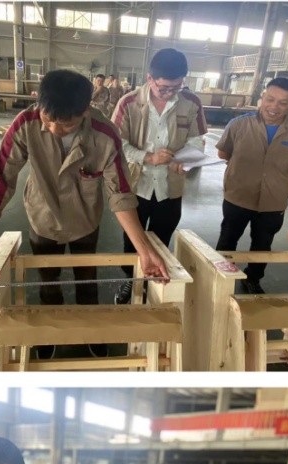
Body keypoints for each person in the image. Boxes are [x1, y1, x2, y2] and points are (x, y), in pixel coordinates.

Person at [0, 69, 168, 359]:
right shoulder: (26, 124)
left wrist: (143, 249)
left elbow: (120, 194)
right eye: (48, 119)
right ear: (39, 104)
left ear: (85, 112)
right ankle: (49, 333)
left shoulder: (104, 135)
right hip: (42, 218)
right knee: (48, 280)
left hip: (85, 221)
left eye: (66, 125)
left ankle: (91, 332)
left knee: (86, 279)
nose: (55, 129)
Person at [112, 48, 206, 305]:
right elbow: (117, 144)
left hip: (170, 187)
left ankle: (152, 284)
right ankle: (131, 280)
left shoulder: (191, 102)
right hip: (136, 186)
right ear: (150, 78)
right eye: (164, 88)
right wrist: (148, 157)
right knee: (133, 239)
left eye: (176, 87)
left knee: (162, 237)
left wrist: (185, 161)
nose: (170, 93)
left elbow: (196, 141)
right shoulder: (129, 103)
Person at [215, 77, 288, 294]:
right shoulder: (239, 125)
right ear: (263, 97)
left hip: (273, 200)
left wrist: (274, 175)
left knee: (263, 243)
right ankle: (221, 278)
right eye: (270, 99)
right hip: (238, 195)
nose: (274, 107)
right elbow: (223, 153)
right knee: (228, 238)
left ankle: (253, 279)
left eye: (283, 103)